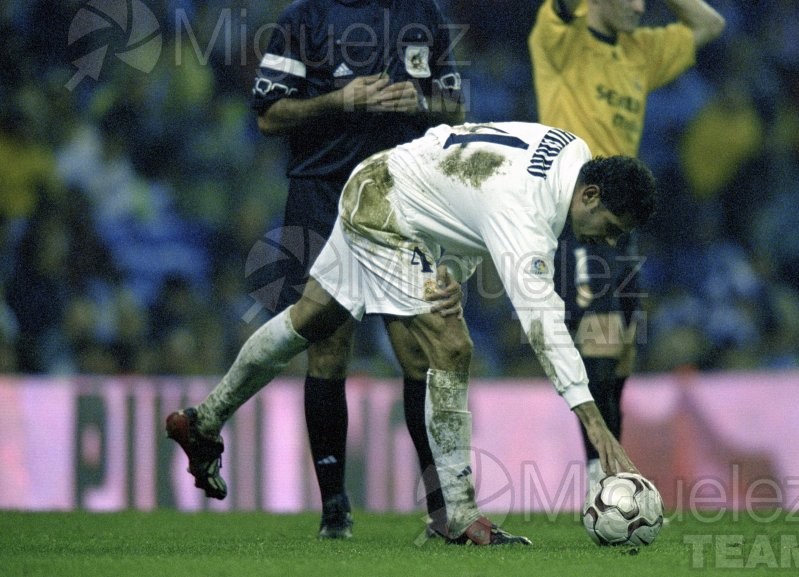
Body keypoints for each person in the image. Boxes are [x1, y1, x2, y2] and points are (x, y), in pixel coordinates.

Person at [166, 120, 658, 545]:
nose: (610, 240)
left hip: (385, 181)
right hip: (390, 215)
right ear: (589, 195)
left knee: (308, 320)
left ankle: (203, 420)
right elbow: (542, 323)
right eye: (611, 226)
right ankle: (460, 517)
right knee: (452, 345)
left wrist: (452, 267)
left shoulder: (573, 150)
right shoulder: (526, 212)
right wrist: (595, 424)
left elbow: (468, 185)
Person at [248, 0, 465, 538]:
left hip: (403, 199)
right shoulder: (305, 18)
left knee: (422, 351)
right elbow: (270, 114)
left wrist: (418, 99)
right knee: (327, 346)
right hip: (323, 199)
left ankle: (443, 511)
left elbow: (455, 104)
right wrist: (338, 100)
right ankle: (335, 510)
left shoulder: (424, 13)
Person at [528, 0, 725, 481]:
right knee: (599, 340)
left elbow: (710, 23)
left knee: (621, 353)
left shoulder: (640, 51)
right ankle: (603, 477)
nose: (639, 6)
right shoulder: (560, 38)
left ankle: (607, 471)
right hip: (578, 214)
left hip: (621, 224)